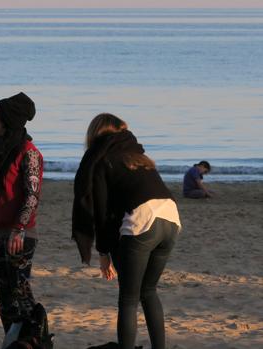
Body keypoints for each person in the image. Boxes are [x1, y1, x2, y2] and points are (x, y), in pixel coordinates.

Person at [72, 113, 181, 349]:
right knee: (149, 291)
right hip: (171, 216)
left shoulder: (101, 159)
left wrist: (103, 253)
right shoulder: (139, 155)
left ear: (95, 134)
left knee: (129, 298)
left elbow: (101, 212)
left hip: (143, 220)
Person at [0, 92, 44, 334]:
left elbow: (31, 196)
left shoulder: (29, 153)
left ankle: (36, 340)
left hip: (19, 236)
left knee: (21, 294)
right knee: (4, 298)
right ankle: (12, 342)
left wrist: (18, 229)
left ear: (7, 120)